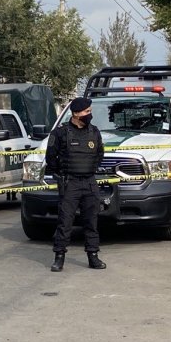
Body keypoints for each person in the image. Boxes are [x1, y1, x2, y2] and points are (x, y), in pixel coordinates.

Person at [46, 97, 106, 272]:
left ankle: (93, 256)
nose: (90, 114)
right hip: (70, 182)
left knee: (91, 221)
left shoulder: (94, 132)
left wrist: (89, 169)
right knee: (65, 222)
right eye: (87, 111)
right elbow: (50, 158)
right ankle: (59, 257)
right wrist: (62, 174)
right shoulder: (60, 133)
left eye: (90, 111)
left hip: (89, 182)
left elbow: (99, 155)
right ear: (76, 113)